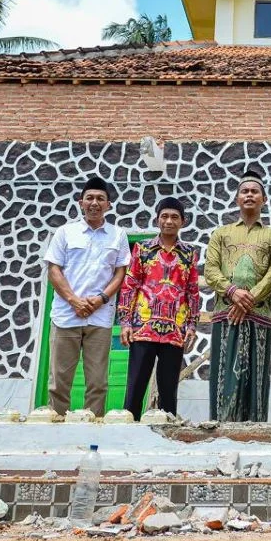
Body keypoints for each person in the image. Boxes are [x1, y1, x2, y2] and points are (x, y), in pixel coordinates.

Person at [42, 176, 131, 417]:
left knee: (98, 383)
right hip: (66, 317)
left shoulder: (118, 235)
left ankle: (92, 432)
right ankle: (55, 429)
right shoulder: (65, 232)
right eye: (89, 198)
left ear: (109, 205)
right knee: (59, 383)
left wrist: (101, 298)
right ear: (81, 202)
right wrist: (74, 300)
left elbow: (121, 271)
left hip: (99, 319)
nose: (94, 202)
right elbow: (54, 270)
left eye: (100, 198)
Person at [204, 171, 271, 421]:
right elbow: (211, 269)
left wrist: (251, 297)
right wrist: (233, 292)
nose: (249, 195)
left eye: (254, 191)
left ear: (264, 199)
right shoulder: (221, 233)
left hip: (258, 314)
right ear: (237, 199)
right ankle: (220, 426)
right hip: (226, 313)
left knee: (256, 379)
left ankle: (256, 428)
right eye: (244, 191)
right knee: (224, 375)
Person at [119, 197, 200, 418]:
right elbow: (130, 285)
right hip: (143, 329)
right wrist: (125, 322)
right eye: (164, 216)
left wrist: (192, 325)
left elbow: (192, 291)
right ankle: (128, 434)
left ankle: (166, 436)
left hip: (174, 331)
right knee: (135, 388)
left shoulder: (189, 253)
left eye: (174, 217)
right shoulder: (143, 249)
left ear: (182, 222)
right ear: (157, 220)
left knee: (168, 392)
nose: (169, 221)